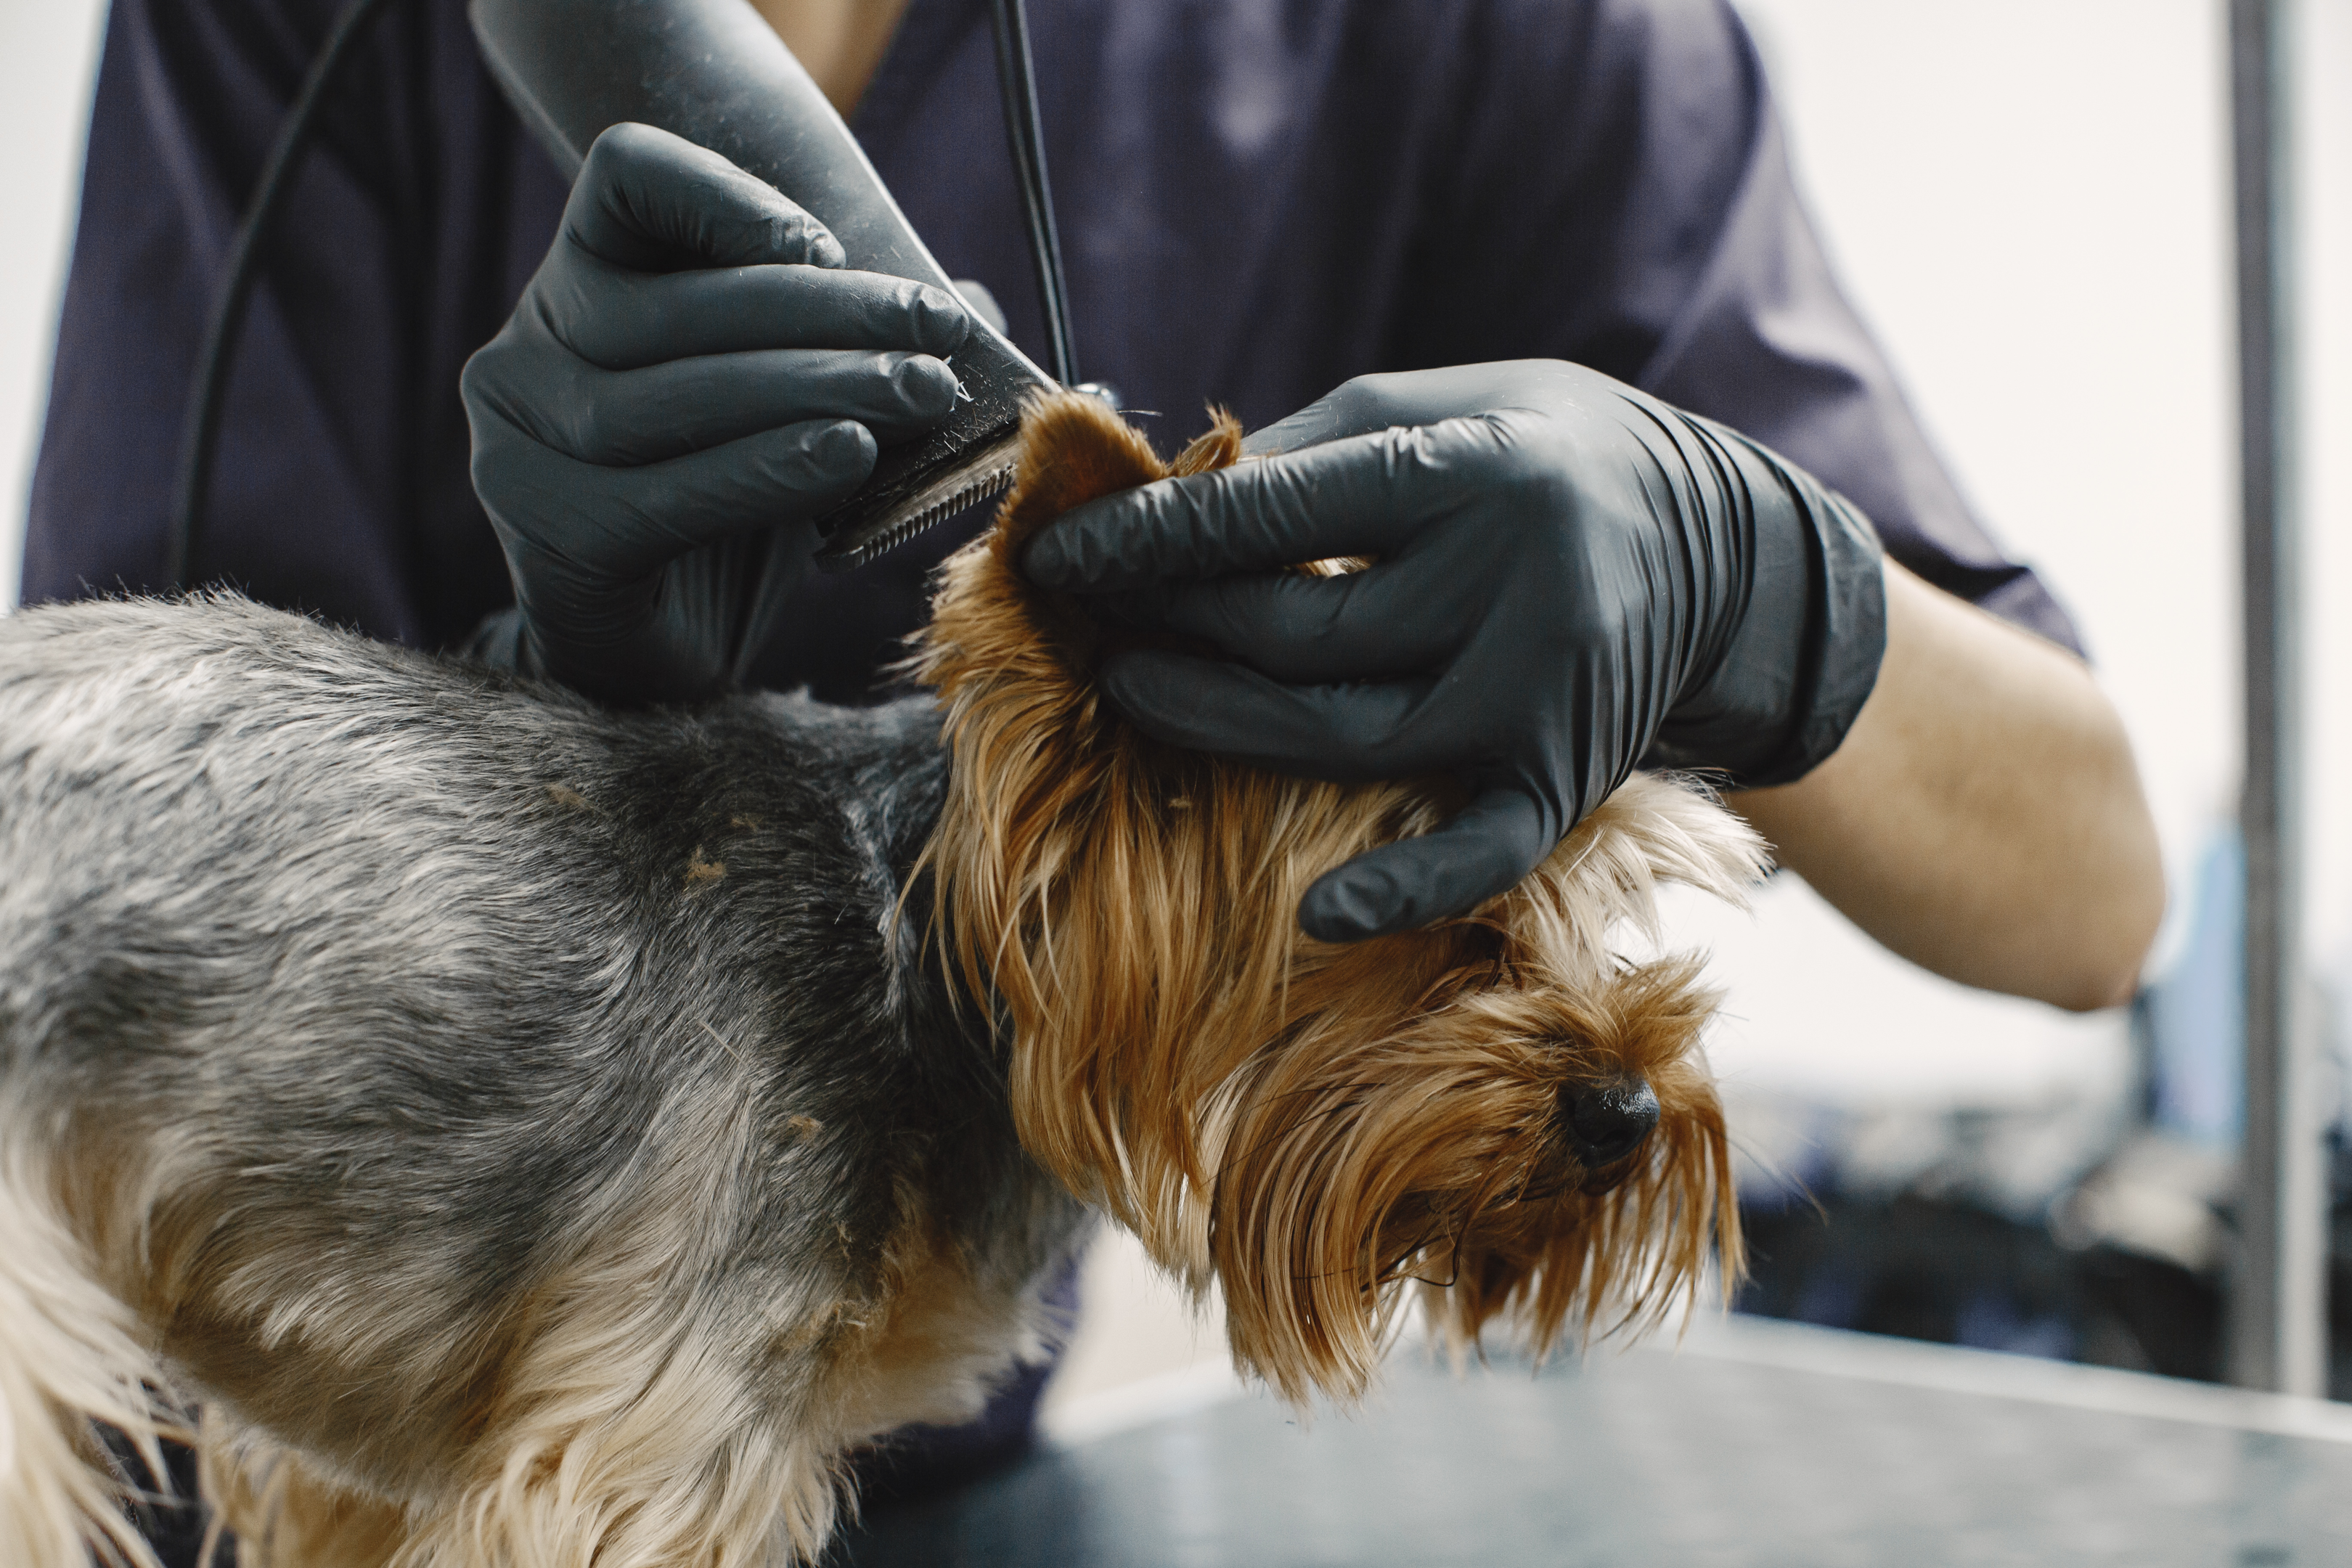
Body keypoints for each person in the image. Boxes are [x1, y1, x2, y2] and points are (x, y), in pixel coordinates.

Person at [25, 0, 2166, 1543]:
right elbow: (154, 851)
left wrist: (1762, 587)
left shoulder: (1509, 37)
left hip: (927, 1474)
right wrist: (520, 702)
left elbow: (2095, 893)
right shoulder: (295, 32)